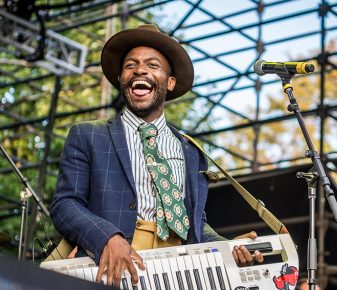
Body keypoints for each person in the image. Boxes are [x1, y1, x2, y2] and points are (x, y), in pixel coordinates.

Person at [50, 24, 263, 287]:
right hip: (111, 266)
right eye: (130, 65)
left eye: (152, 65)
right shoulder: (87, 135)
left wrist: (225, 247)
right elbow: (65, 205)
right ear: (120, 78)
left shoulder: (191, 150)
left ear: (169, 82)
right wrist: (107, 237)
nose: (139, 70)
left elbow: (192, 223)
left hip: (177, 270)